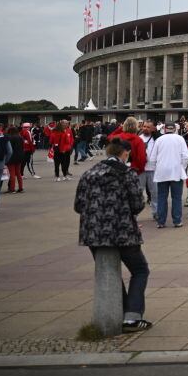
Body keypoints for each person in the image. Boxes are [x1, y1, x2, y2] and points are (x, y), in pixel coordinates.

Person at [73, 138, 152, 333]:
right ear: (125, 153)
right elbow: (137, 204)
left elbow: (78, 205)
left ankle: (121, 311)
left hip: (93, 233)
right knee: (140, 270)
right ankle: (132, 316)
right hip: (122, 231)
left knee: (110, 272)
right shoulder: (127, 173)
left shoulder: (89, 173)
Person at [153, 122, 188, 228]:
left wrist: (157, 167)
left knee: (161, 197)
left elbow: (152, 158)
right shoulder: (180, 139)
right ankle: (177, 220)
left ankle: (161, 222)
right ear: (174, 129)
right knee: (177, 197)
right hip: (176, 171)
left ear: (164, 129)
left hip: (162, 172)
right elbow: (186, 156)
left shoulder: (159, 140)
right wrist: (181, 167)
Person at [4, 126, 26, 194]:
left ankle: (12, 189)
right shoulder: (20, 137)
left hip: (11, 157)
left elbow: (8, 149)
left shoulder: (9, 138)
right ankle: (20, 188)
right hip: (19, 156)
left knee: (12, 174)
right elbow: (23, 147)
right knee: (18, 173)